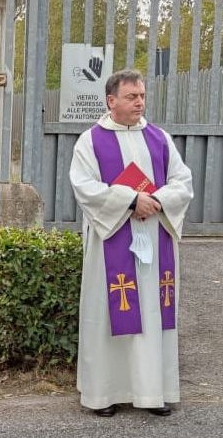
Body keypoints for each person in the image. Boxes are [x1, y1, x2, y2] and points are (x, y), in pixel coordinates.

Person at [68, 69, 194, 417]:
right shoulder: (90, 141)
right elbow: (83, 187)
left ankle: (153, 392)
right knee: (109, 315)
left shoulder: (159, 138)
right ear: (111, 101)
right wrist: (129, 201)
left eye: (141, 95)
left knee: (153, 312)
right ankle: (104, 394)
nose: (139, 102)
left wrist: (156, 201)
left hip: (154, 238)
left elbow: (183, 181)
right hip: (113, 240)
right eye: (131, 96)